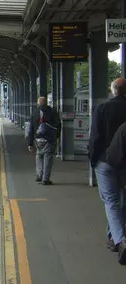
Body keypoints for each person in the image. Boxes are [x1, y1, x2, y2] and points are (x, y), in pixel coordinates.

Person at [89, 78, 126, 265]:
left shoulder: (102, 109)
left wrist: (93, 160)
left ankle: (121, 241)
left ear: (113, 91)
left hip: (105, 162)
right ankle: (113, 238)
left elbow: (95, 137)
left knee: (111, 201)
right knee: (122, 199)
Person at [27, 96, 59, 185]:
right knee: (48, 157)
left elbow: (31, 129)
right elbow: (58, 125)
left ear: (38, 103)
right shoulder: (52, 111)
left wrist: (30, 143)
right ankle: (45, 179)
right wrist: (56, 136)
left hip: (38, 140)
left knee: (39, 155)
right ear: (46, 103)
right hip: (49, 140)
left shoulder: (35, 113)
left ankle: (39, 175)